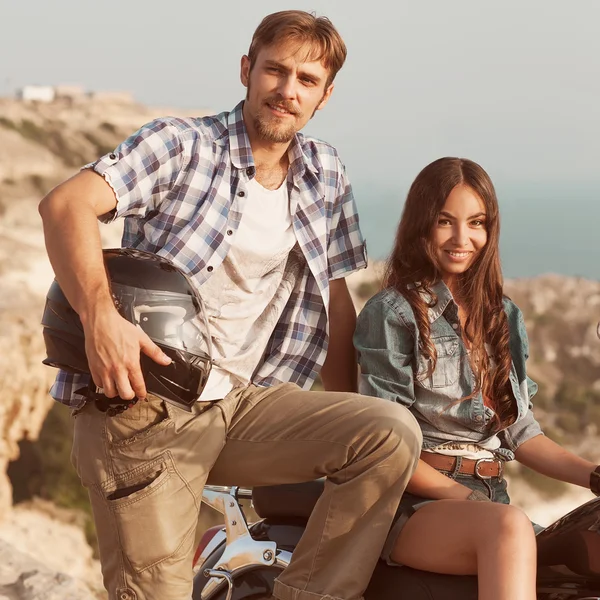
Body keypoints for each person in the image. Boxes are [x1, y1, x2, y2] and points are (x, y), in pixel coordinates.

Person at [38, 10, 421, 600]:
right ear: (248, 69)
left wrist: (337, 407)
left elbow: (334, 300)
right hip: (146, 411)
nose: (287, 91)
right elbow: (65, 206)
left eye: (307, 80)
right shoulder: (182, 146)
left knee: (387, 433)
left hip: (241, 405)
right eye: (275, 70)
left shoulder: (325, 174)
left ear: (325, 95)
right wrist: (100, 319)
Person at [354, 157, 600, 600]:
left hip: (492, 498)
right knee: (509, 526)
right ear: (421, 225)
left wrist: (595, 477)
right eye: (445, 221)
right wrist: (469, 501)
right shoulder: (392, 314)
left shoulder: (503, 317)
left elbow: (521, 434)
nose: (461, 238)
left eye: (476, 223)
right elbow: (388, 446)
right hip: (414, 505)